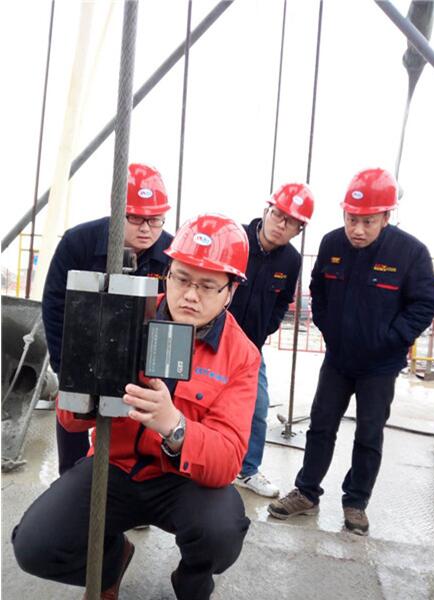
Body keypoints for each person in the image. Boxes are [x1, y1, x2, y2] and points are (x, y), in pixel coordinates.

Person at [13, 213, 260, 600]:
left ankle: (191, 583)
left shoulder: (241, 355)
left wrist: (175, 426)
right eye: (182, 278)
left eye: (207, 286)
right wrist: (84, 388)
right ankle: (111, 563)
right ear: (167, 273)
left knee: (221, 533)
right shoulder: (124, 315)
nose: (190, 295)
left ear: (230, 292)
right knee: (34, 547)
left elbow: (228, 458)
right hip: (115, 466)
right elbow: (70, 420)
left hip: (184, 482)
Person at [268, 168, 434, 534]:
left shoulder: (410, 253)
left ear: (386, 217)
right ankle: (307, 492)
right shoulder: (332, 244)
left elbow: (426, 302)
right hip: (339, 359)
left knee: (368, 434)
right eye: (351, 219)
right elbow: (318, 289)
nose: (357, 230)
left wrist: (391, 338)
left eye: (368, 221)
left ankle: (356, 502)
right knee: (321, 426)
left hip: (380, 365)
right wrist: (328, 327)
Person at [42, 163, 173, 475]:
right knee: (74, 418)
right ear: (117, 211)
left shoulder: (171, 254)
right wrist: (65, 367)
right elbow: (55, 305)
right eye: (135, 218)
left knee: (132, 438)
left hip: (137, 362)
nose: (146, 228)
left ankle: (126, 485)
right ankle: (71, 479)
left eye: (155, 219)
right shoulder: (79, 243)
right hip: (81, 353)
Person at [229, 183, 315, 497]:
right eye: (278, 215)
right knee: (191, 396)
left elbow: (282, 301)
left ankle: (247, 470)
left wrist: (267, 328)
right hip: (209, 338)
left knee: (258, 406)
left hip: (250, 345)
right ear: (266, 210)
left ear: (299, 229)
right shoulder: (234, 239)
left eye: (291, 222)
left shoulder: (291, 261)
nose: (281, 224)